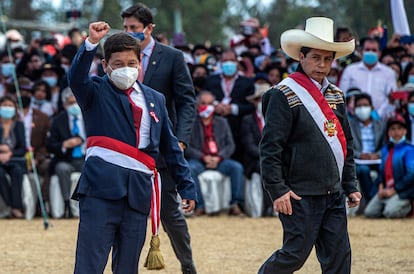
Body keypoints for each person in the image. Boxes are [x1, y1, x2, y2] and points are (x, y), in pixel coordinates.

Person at [68, 22, 196, 274]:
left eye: (131, 63)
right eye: (117, 64)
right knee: (89, 266)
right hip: (100, 192)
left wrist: (186, 185)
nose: (125, 69)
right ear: (105, 66)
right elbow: (76, 77)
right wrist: (91, 43)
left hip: (138, 194)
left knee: (127, 268)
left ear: (140, 64)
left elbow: (170, 147)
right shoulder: (94, 91)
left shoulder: (155, 99)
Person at [258, 17, 361, 273]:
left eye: (328, 59)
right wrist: (278, 189)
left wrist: (350, 185)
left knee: (339, 259)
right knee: (293, 256)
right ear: (301, 57)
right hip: (298, 194)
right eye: (316, 57)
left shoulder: (337, 95)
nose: (322, 65)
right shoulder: (282, 94)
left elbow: (345, 145)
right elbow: (270, 148)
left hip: (333, 193)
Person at [121, 4, 197, 273]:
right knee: (128, 216)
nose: (129, 33)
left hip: (163, 149)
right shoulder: (119, 57)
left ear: (149, 28)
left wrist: (181, 139)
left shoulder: (172, 57)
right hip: (125, 148)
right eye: (126, 28)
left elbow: (187, 101)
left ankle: (187, 265)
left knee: (170, 215)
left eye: (135, 28)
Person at [185, 91, 245, 216]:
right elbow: (187, 146)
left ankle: (235, 205)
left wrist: (219, 157)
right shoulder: (191, 123)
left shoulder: (222, 122)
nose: (207, 106)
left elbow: (230, 145)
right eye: (203, 103)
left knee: (237, 167)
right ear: (197, 105)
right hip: (200, 159)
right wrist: (203, 157)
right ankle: (199, 206)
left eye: (210, 103)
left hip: (220, 159)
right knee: (190, 169)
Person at [203, 48, 255, 164]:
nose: (228, 63)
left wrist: (232, 109)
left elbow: (251, 106)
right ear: (220, 62)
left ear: (237, 62)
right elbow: (202, 98)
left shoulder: (247, 82)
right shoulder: (211, 80)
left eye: (231, 60)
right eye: (225, 60)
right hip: (215, 129)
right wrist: (215, 105)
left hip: (239, 129)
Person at [46, 87, 86, 218]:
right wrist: (64, 145)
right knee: (61, 169)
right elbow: (50, 145)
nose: (74, 106)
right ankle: (66, 203)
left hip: (86, 158)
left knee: (93, 167)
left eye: (76, 102)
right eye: (70, 103)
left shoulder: (88, 116)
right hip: (66, 159)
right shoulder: (58, 120)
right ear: (64, 105)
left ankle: (86, 204)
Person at [364, 115, 414, 218]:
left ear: (405, 131)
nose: (396, 132)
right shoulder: (385, 150)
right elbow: (382, 172)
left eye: (399, 129)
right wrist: (381, 187)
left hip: (403, 191)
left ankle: (409, 206)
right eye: (393, 129)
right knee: (369, 213)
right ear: (389, 133)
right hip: (387, 189)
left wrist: (395, 190)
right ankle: (389, 204)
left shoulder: (409, 150)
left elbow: (411, 174)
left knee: (390, 213)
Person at [339, 37, 397, 119]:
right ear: (361, 52)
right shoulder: (350, 70)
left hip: (381, 120)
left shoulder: (389, 73)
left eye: (374, 50)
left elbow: (391, 97)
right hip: (354, 120)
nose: (370, 52)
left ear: (379, 53)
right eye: (367, 49)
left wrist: (378, 115)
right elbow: (342, 96)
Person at [349, 93, 385, 204]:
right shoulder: (349, 125)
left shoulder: (381, 125)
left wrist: (378, 154)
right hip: (359, 160)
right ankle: (372, 201)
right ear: (354, 109)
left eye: (365, 105)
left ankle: (375, 200)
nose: (362, 108)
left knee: (385, 170)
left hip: (377, 158)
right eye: (359, 106)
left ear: (372, 107)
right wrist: (359, 154)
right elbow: (348, 146)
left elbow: (386, 145)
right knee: (363, 171)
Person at [0, 95, 27, 218]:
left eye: (10, 106)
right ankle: (8, 205)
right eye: (4, 105)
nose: (7, 108)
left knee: (17, 172)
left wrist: (10, 153)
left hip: (15, 160)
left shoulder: (19, 125)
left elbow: (22, 148)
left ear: (15, 109)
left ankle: (16, 207)